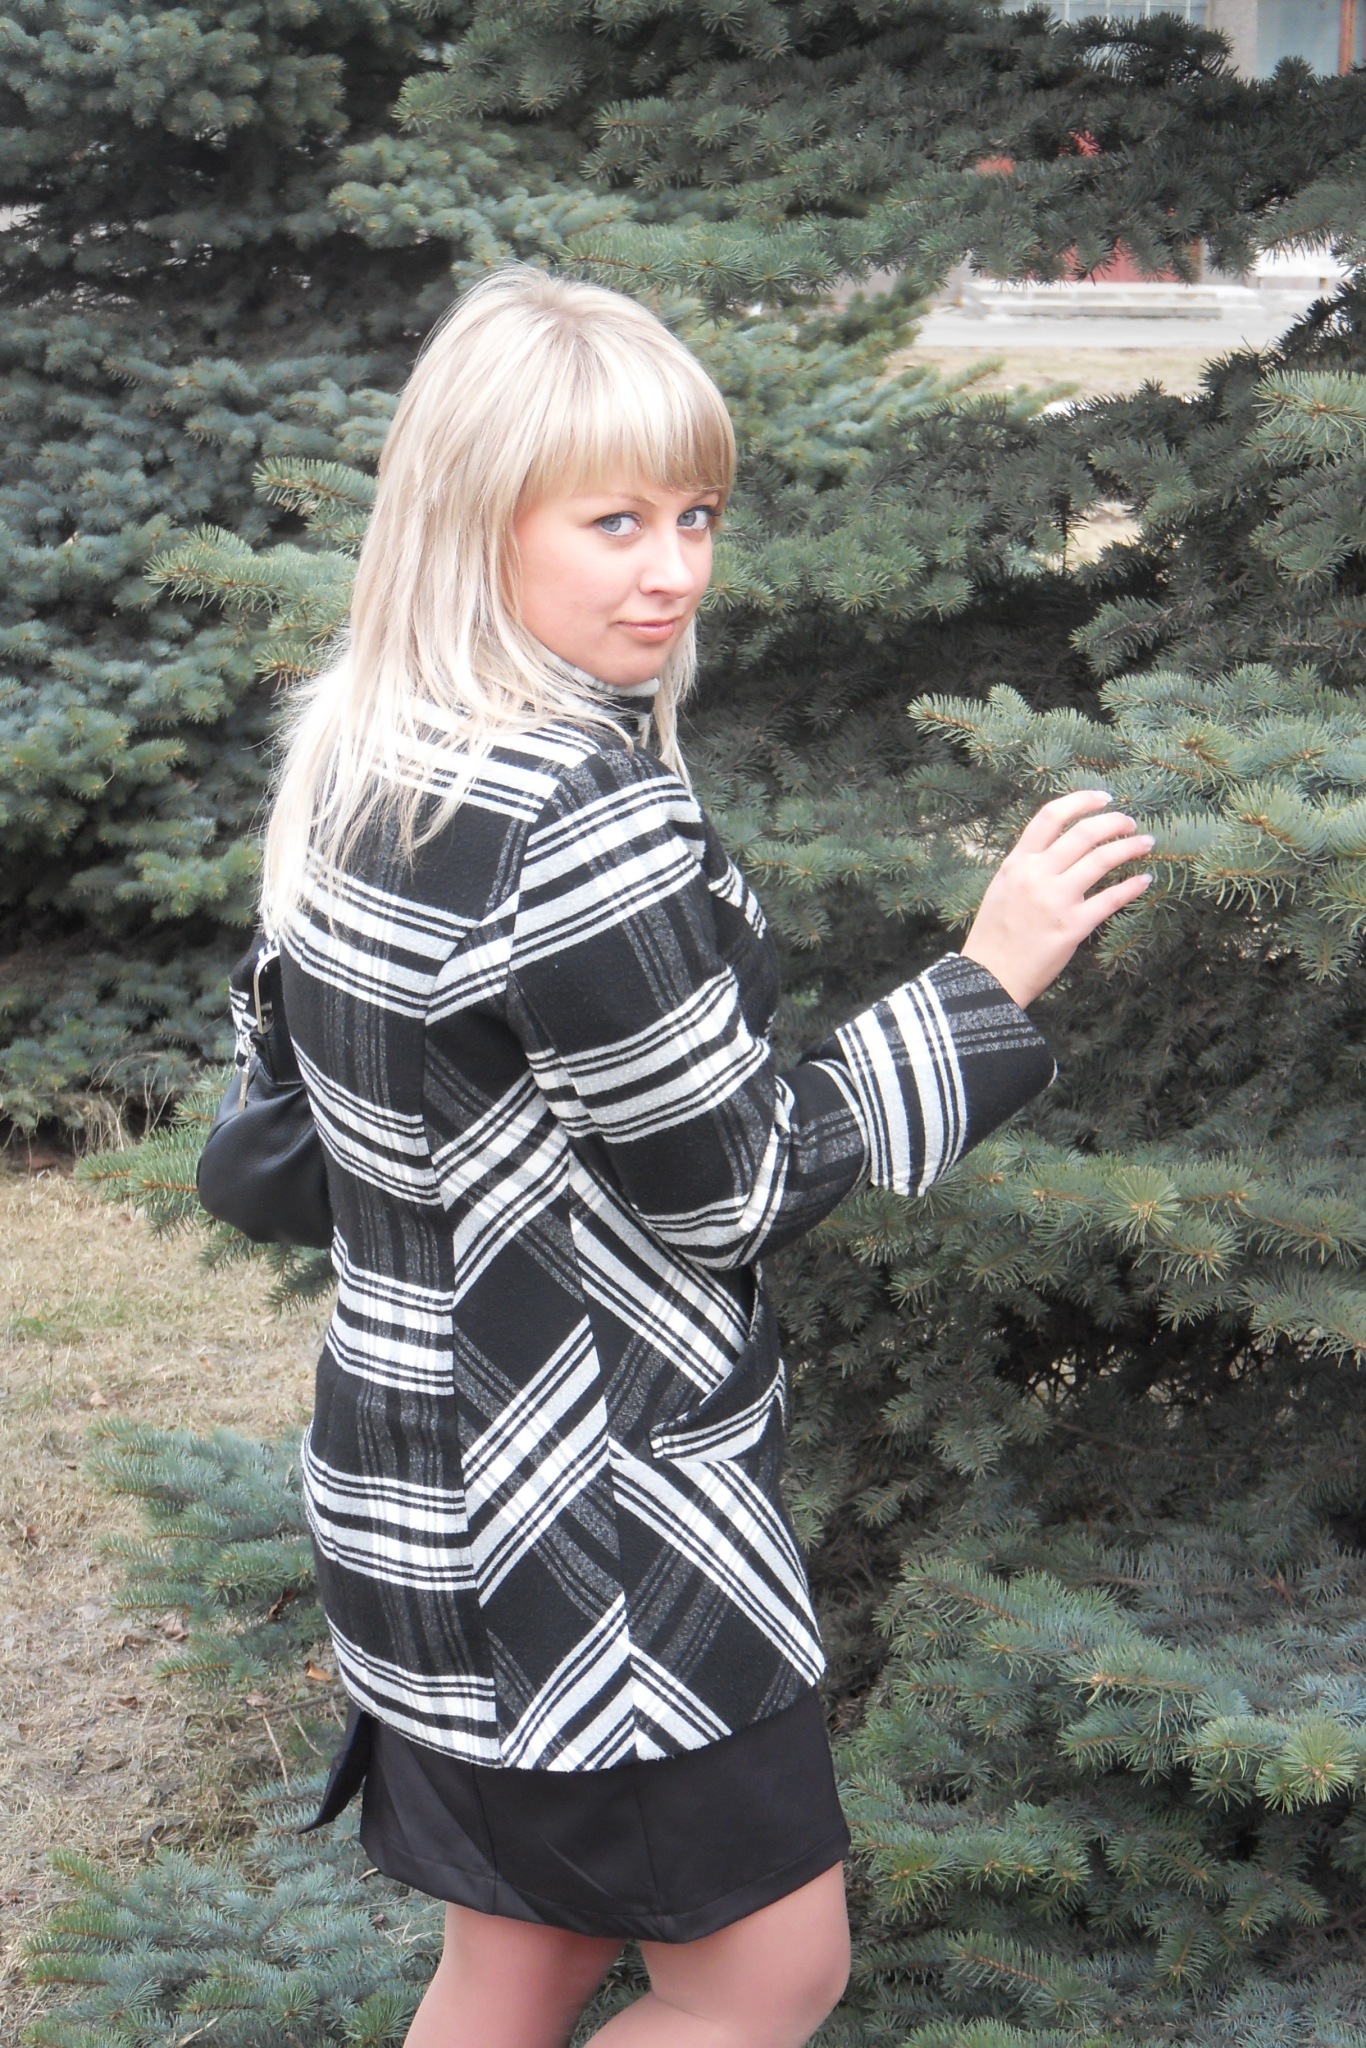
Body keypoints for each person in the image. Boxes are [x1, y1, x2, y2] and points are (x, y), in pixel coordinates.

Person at [256, 266, 1153, 2048]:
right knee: (761, 1979)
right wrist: (984, 983)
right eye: (612, 522)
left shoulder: (362, 753)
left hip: (401, 1488)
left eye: (694, 516)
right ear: (473, 522)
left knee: (513, 1958)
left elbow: (269, 1136)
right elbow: (735, 1183)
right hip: (592, 1534)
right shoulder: (573, 813)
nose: (671, 570)